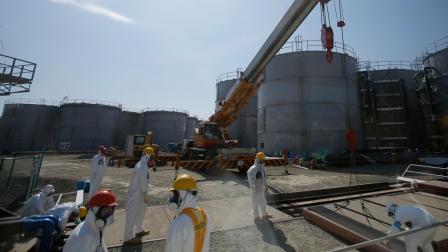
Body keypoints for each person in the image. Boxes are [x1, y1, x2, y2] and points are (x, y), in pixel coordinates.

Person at [166, 174, 211, 252]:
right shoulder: (205, 215)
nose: (173, 198)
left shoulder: (178, 223)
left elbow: (171, 249)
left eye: (175, 194)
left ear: (183, 194)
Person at [123, 147, 154, 244]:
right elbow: (143, 183)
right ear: (147, 156)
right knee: (131, 215)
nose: (152, 160)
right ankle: (127, 238)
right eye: (151, 157)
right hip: (136, 195)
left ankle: (139, 230)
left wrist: (144, 194)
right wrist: (145, 194)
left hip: (140, 195)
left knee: (140, 213)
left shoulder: (142, 165)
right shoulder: (142, 166)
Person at [247, 152, 272, 222]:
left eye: (263, 160)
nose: (263, 161)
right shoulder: (252, 169)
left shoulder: (263, 168)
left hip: (261, 188)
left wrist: (266, 185)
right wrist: (253, 188)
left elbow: (264, 178)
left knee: (263, 202)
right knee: (255, 203)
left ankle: (264, 214)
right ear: (258, 160)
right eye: (262, 160)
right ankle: (256, 217)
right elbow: (251, 180)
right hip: (255, 189)